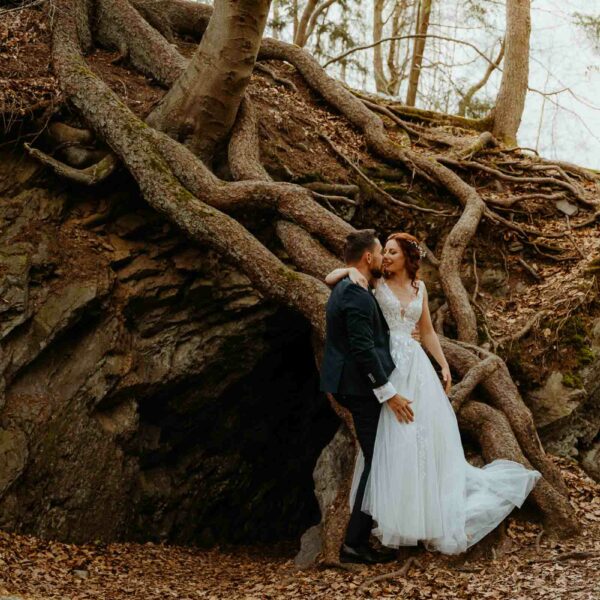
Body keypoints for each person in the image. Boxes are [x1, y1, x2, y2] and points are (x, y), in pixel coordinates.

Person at [325, 231, 542, 555]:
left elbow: (426, 330)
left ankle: (424, 515)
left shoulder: (419, 288)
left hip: (415, 365)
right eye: (383, 251)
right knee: (393, 442)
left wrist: (443, 365)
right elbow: (333, 279)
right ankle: (389, 523)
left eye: (393, 252)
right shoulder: (372, 282)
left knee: (424, 439)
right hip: (387, 366)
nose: (386, 256)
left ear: (408, 258)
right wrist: (348, 270)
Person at [320, 229, 414, 564]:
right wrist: (389, 394)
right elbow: (362, 350)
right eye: (379, 252)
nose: (382, 258)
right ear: (368, 258)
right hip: (360, 388)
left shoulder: (349, 285)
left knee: (378, 458)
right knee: (378, 460)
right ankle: (354, 541)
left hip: (353, 385)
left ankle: (362, 536)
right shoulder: (356, 295)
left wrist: (346, 270)